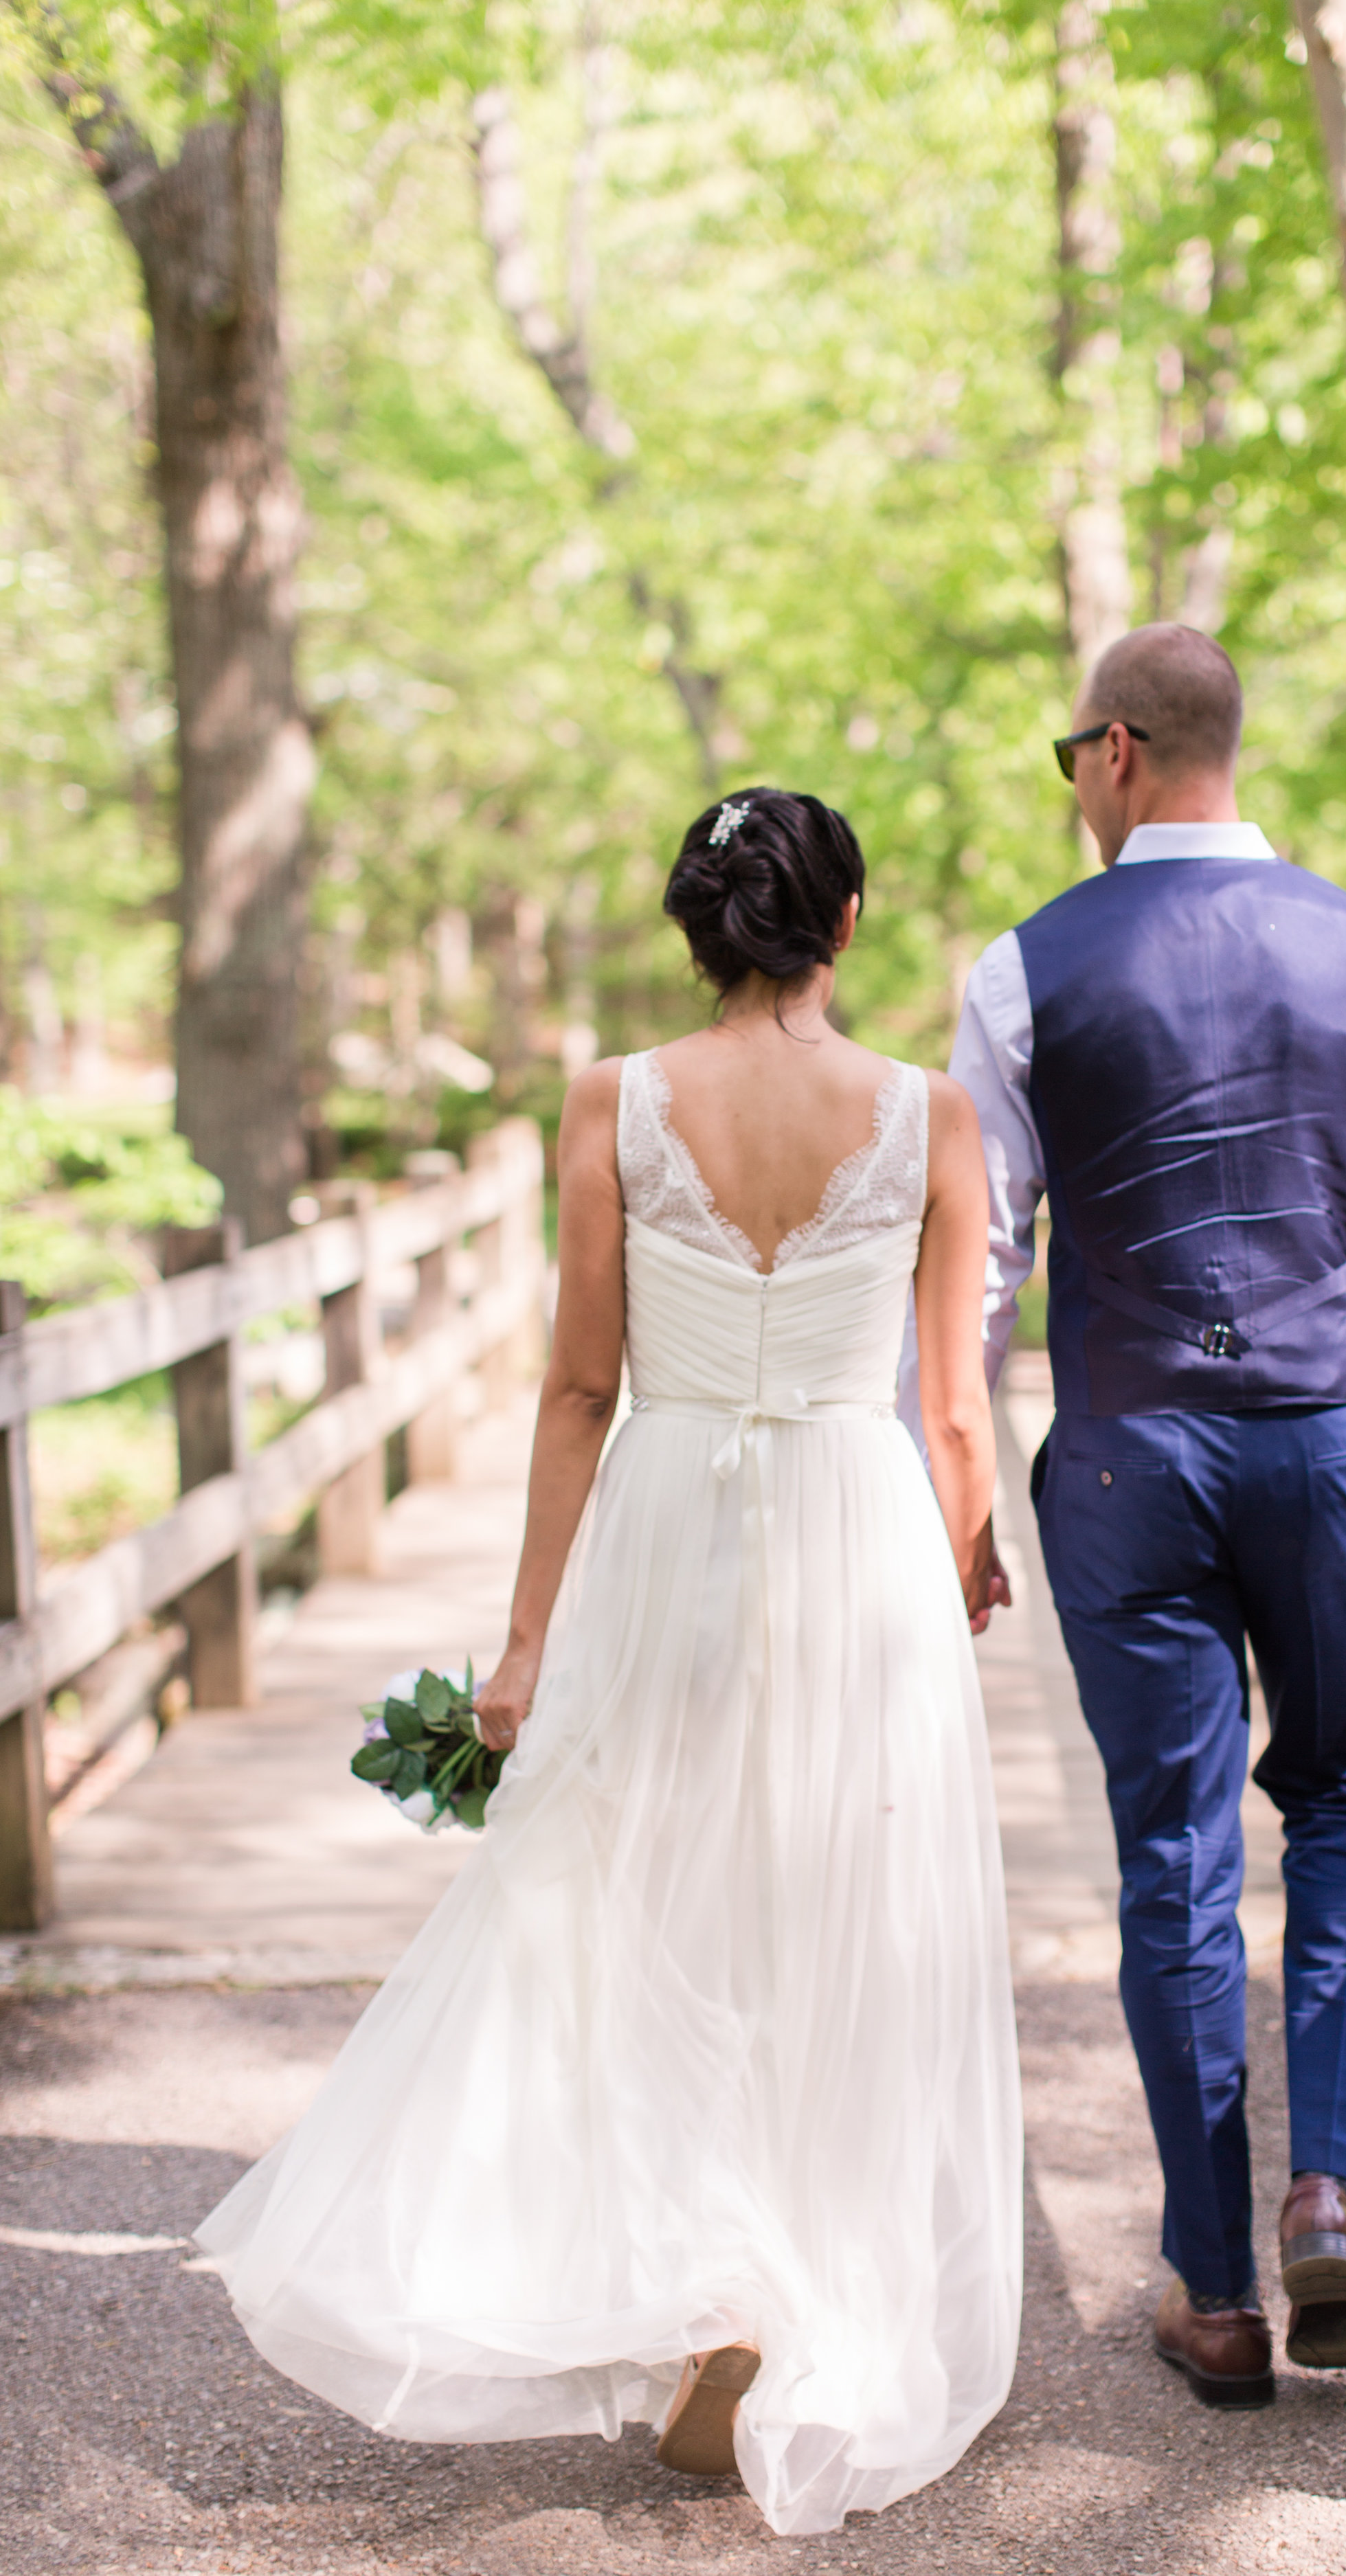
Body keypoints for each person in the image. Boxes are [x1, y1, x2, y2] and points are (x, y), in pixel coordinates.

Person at [195, 790, 1023, 2537]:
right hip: (856, 1533)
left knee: (644, 1905)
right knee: (841, 1918)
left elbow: (577, 1388)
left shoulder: (617, 1104)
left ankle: (706, 2292)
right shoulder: (931, 1118)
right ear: (846, 925)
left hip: (665, 1527)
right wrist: (969, 1556)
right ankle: (811, 2307)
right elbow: (952, 1406)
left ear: (696, 928)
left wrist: (522, 1643)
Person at [903, 624, 1346, 2410]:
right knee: (1343, 1793)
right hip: (1327, 1443)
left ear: (1114, 751)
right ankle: (1323, 2183)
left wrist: (947, 1481)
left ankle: (1210, 2280)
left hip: (1124, 1454)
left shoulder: (1020, 973)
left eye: (1065, 757)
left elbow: (973, 1268)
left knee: (1172, 1848)